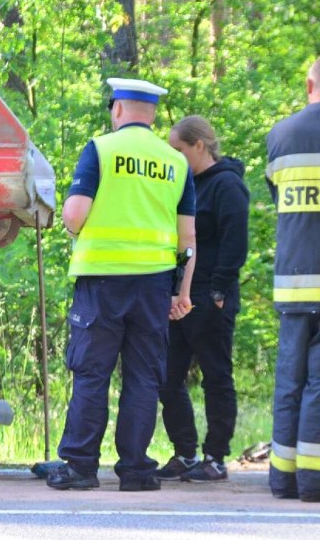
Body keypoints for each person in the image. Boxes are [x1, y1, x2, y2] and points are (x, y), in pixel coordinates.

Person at [47, 78, 196, 492]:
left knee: (92, 373)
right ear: (152, 115)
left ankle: (79, 467)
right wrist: (181, 293)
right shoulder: (175, 162)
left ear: (117, 109)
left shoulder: (101, 149)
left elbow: (75, 216)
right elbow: (188, 239)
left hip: (102, 281)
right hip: (152, 286)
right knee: (144, 378)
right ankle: (136, 471)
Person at [156, 116, 249, 482]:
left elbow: (235, 242)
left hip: (212, 296)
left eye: (178, 149)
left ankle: (215, 456)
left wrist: (219, 291)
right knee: (167, 376)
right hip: (178, 296)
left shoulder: (226, 186)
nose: (173, 156)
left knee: (216, 376)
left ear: (199, 146)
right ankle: (185, 452)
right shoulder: (181, 187)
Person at [265, 56, 320, 503]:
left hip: (292, 283)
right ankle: (313, 481)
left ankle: (281, 478)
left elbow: (278, 197)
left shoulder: (280, 136)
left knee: (289, 381)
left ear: (309, 84)